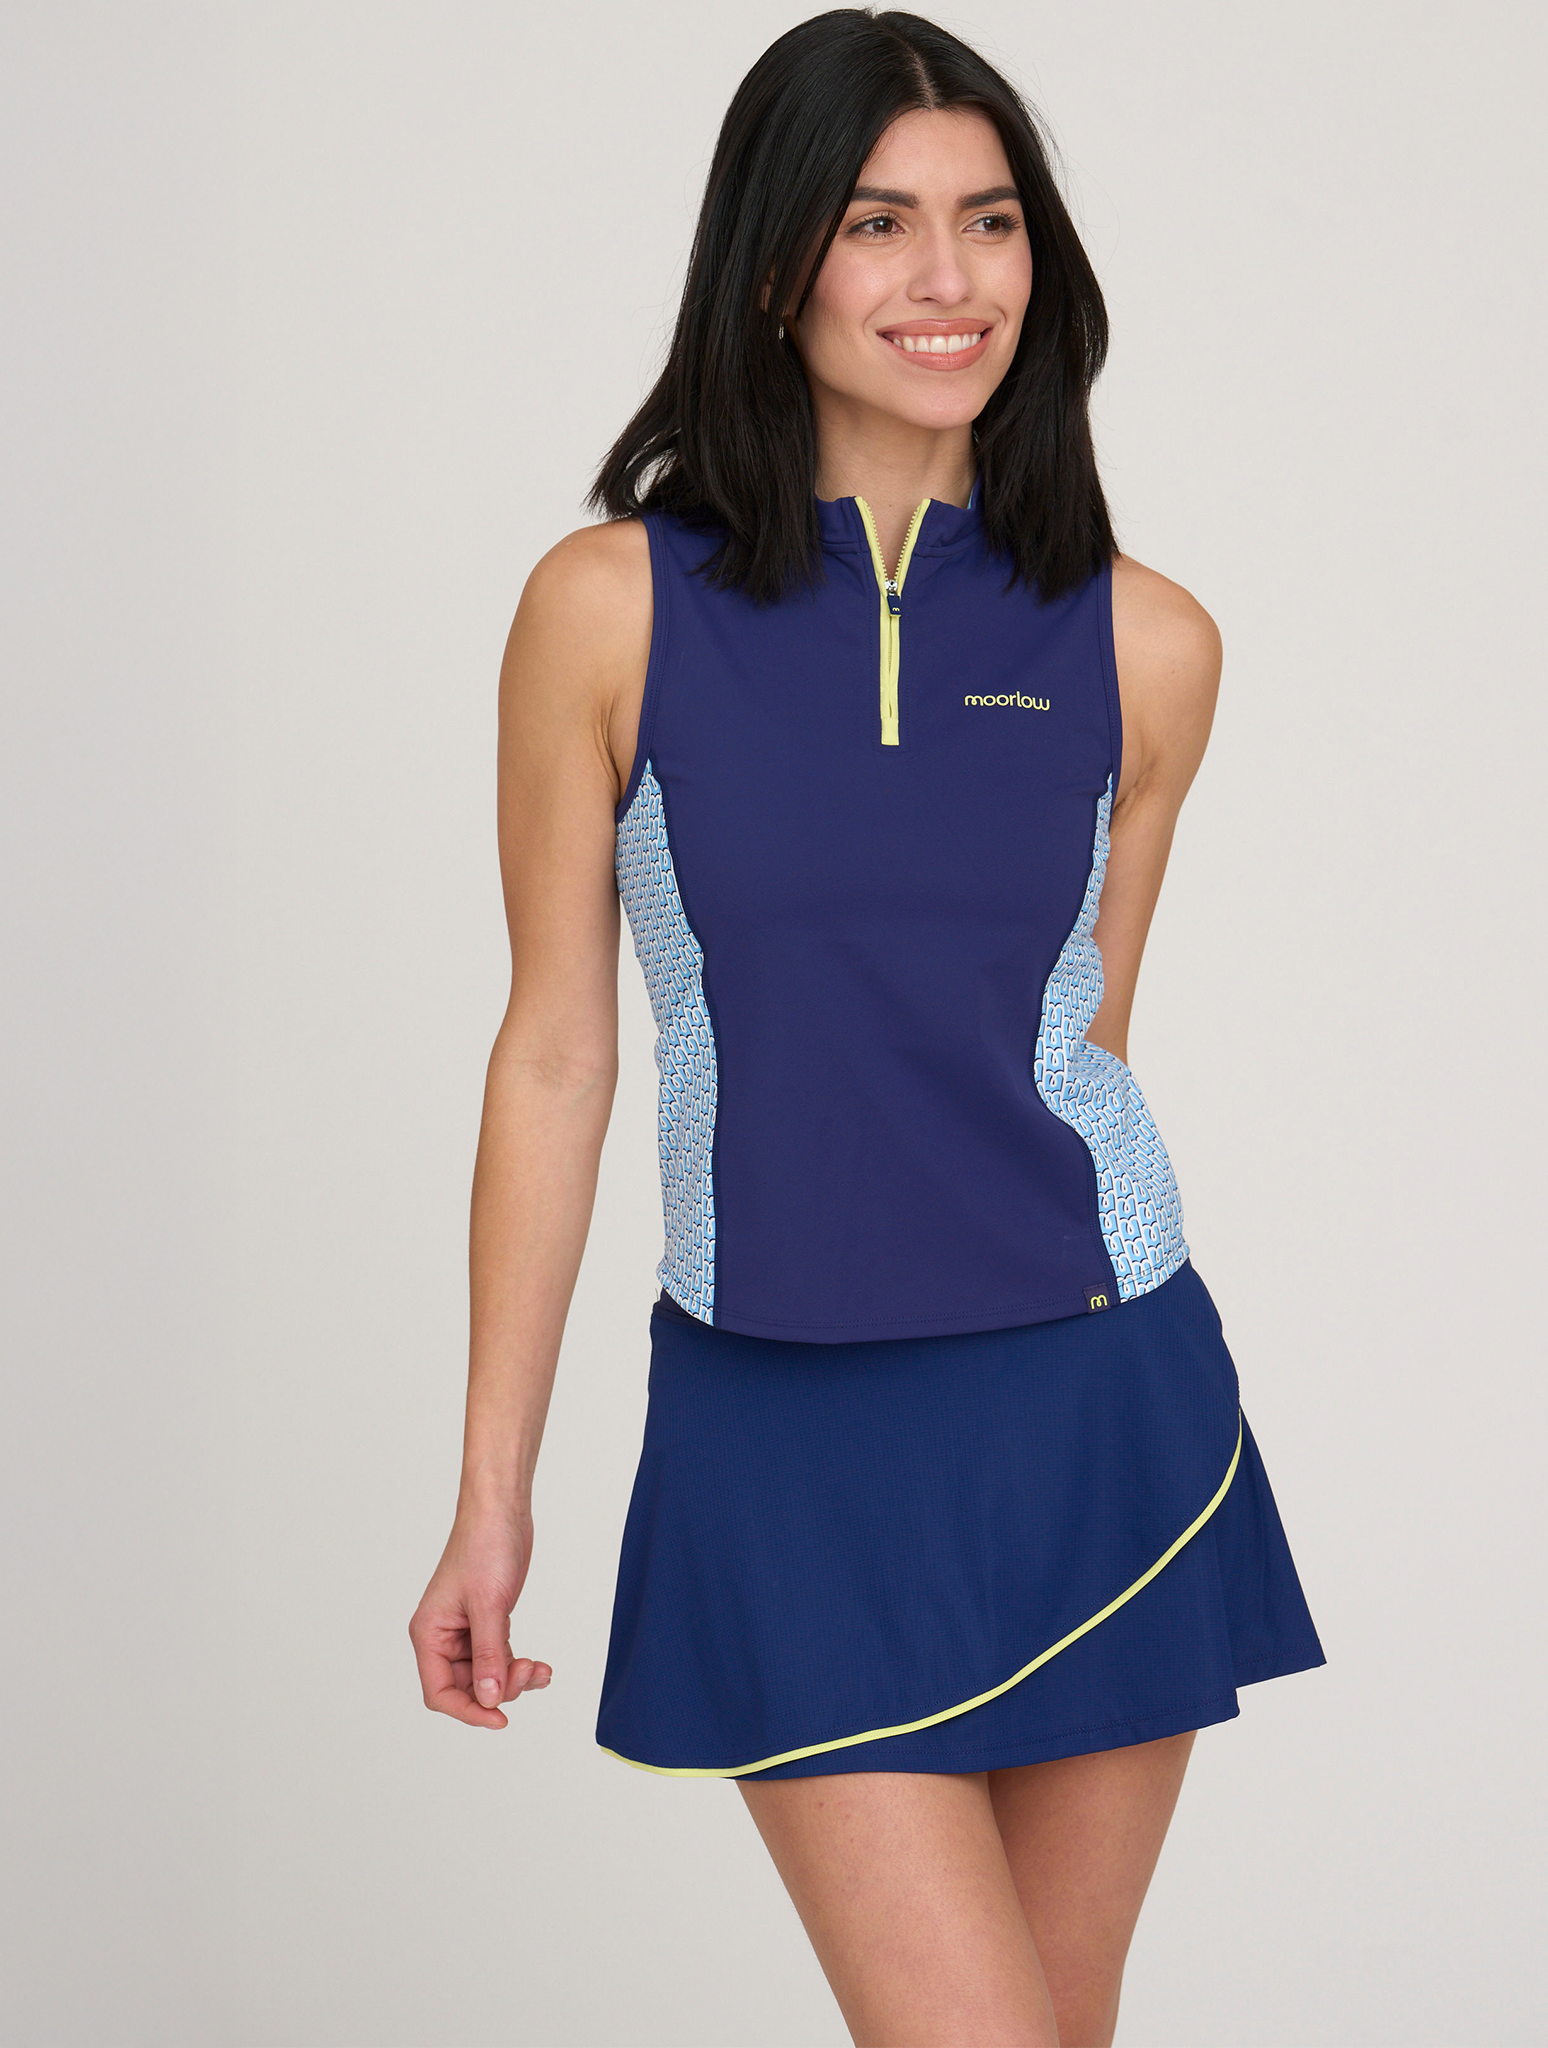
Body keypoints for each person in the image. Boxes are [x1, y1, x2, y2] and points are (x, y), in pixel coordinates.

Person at [409, 10, 1324, 2042]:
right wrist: (493, 1489)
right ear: (773, 269)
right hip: (786, 1429)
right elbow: (556, 1051)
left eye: (989, 221)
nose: (948, 277)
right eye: (880, 222)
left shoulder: (1148, 643)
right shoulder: (609, 608)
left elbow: (1079, 1040)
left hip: (1096, 1406)